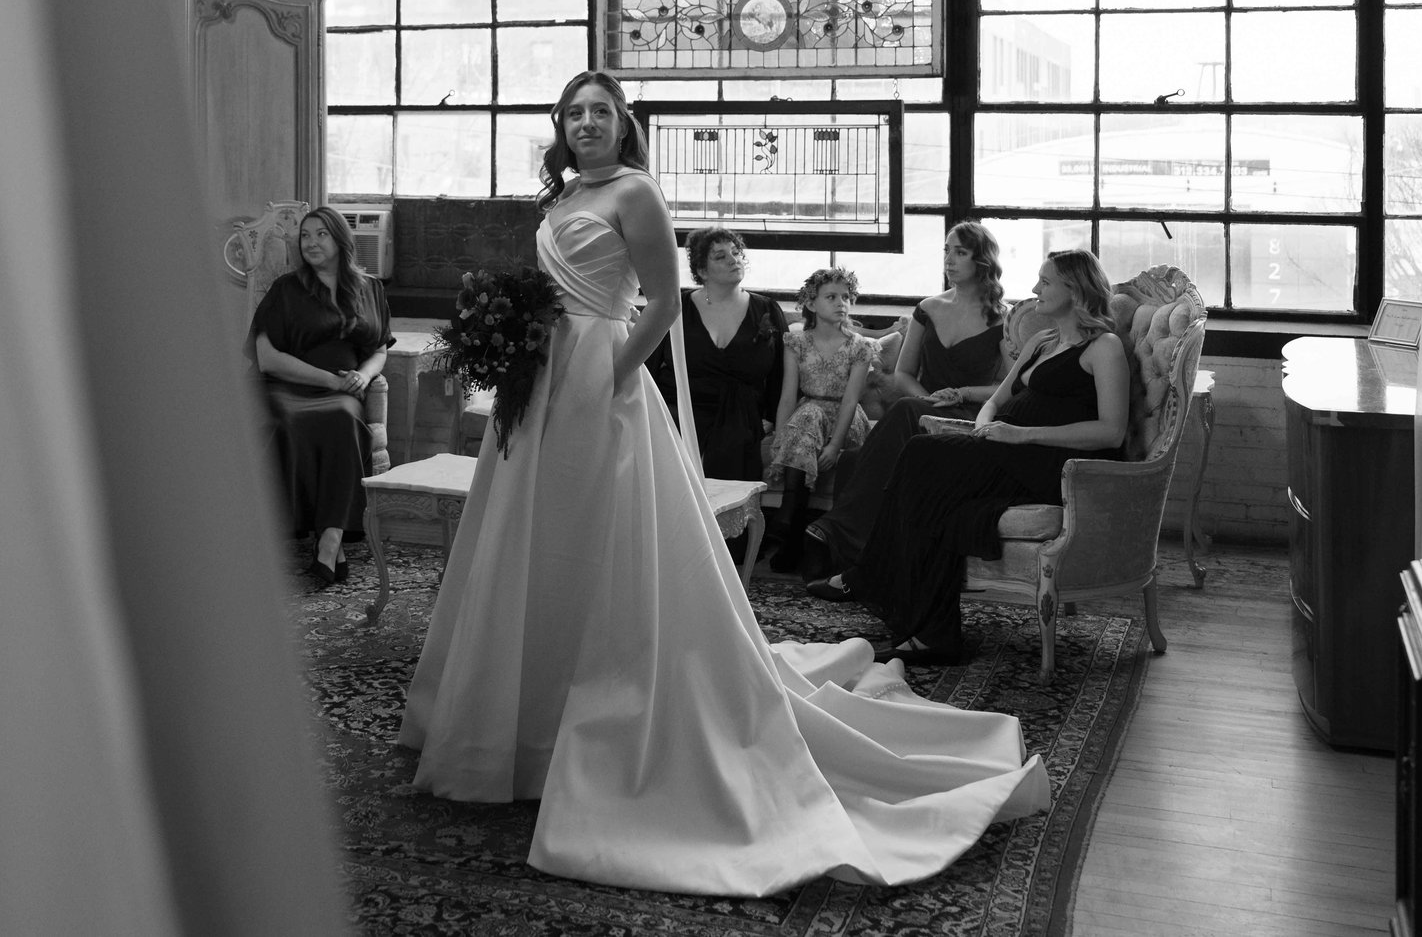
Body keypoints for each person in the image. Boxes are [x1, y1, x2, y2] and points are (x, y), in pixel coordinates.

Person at [399, 71, 1049, 896]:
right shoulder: (561, 196)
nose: (587, 122)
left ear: (622, 124)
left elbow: (662, 303)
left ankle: (593, 719)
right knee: (529, 538)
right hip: (541, 377)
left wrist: (608, 377)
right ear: (561, 125)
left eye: (601, 111)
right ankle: (517, 720)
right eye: (575, 112)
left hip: (599, 376)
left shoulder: (635, 192)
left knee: (591, 541)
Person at [848, 250, 1132, 666]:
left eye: (1045, 282)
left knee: (920, 453)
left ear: (1075, 290)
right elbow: (996, 401)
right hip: (1003, 448)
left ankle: (874, 579)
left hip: (1050, 463)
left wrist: (1021, 435)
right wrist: (983, 429)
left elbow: (1111, 431)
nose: (1034, 290)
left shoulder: (1104, 347)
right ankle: (931, 632)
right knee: (933, 495)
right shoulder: (1042, 341)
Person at [804, 222, 1010, 597]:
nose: (949, 259)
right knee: (855, 458)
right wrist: (928, 403)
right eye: (946, 251)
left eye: (960, 252)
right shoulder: (928, 309)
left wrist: (960, 394)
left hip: (968, 419)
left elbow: (1009, 388)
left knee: (901, 415)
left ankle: (834, 532)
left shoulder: (1004, 318)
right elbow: (902, 375)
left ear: (982, 260)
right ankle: (857, 564)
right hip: (921, 410)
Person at [250, 206, 393, 590]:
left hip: (345, 390)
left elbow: (379, 349)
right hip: (287, 387)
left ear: (340, 239)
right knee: (293, 421)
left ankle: (330, 539)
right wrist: (331, 380)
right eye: (305, 236)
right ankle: (331, 544)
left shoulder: (370, 289)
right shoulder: (286, 289)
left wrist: (363, 376)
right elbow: (267, 358)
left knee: (344, 418)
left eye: (321, 234)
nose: (311, 243)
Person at [644, 227, 787, 482]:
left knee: (734, 451)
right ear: (702, 271)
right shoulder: (677, 307)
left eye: (736, 253)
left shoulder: (766, 309)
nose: (734, 260)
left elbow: (781, 374)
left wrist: (771, 418)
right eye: (721, 256)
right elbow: (648, 365)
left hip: (740, 414)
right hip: (681, 408)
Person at [763, 267, 878, 569]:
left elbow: (851, 400)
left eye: (846, 297)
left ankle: (788, 520)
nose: (841, 303)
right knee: (808, 413)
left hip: (844, 421)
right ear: (811, 304)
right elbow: (788, 396)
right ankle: (794, 526)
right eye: (831, 297)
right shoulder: (796, 342)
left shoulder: (860, 347)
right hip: (807, 418)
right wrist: (780, 441)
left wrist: (835, 445)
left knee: (811, 415)